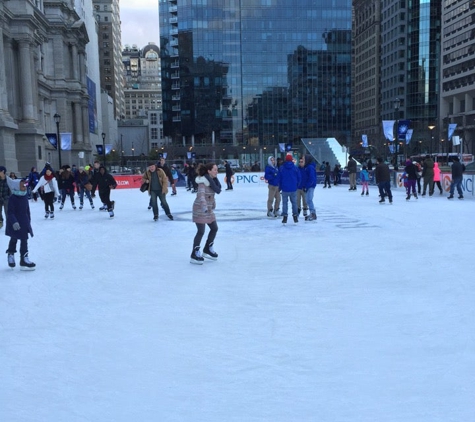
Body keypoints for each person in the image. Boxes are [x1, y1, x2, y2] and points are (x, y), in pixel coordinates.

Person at [190, 162, 221, 264]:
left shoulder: (213, 181)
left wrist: (213, 204)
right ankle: (194, 253)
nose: (217, 171)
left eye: (217, 169)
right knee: (201, 231)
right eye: (215, 169)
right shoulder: (203, 182)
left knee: (214, 228)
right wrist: (204, 207)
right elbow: (201, 195)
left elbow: (211, 195)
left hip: (208, 209)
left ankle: (207, 248)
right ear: (209, 171)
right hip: (200, 209)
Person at [5, 177, 35, 270]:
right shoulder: (13, 198)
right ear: (17, 187)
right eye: (23, 185)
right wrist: (14, 222)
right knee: (14, 239)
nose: (25, 187)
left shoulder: (24, 196)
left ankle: (24, 258)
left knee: (24, 240)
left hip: (24, 222)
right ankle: (11, 254)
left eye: (25, 185)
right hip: (15, 223)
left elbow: (27, 210)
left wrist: (28, 221)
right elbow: (10, 212)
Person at [278, 155, 300, 224]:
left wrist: (280, 187)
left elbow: (279, 178)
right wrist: (296, 186)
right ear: (291, 160)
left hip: (285, 188)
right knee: (294, 203)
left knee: (284, 203)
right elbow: (299, 178)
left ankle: (285, 216)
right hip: (293, 188)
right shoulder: (295, 168)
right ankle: (295, 216)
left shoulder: (282, 168)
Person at [303, 154, 317, 221]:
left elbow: (311, 178)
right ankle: (312, 212)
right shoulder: (307, 167)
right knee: (307, 200)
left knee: (309, 199)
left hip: (310, 186)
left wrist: (307, 186)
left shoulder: (310, 167)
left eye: (305, 159)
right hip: (308, 186)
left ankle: (313, 213)